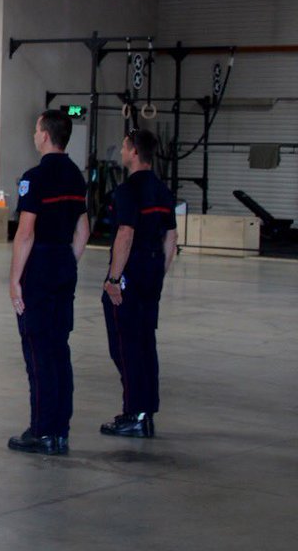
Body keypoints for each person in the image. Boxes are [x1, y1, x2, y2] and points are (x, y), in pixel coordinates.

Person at [7, 109, 89, 456]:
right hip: (63, 263)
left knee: (38, 352)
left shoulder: (35, 177)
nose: (34, 133)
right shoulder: (75, 175)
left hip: (39, 265)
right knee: (59, 350)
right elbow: (83, 229)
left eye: (36, 128)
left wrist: (14, 280)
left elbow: (25, 233)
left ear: (45, 135)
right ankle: (61, 430)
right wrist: (67, 260)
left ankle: (42, 431)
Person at [100, 128, 177, 438]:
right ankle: (147, 411)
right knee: (145, 343)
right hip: (153, 269)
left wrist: (114, 278)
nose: (121, 152)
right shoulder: (162, 190)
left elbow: (125, 233)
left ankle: (134, 413)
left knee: (125, 345)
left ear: (133, 152)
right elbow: (171, 237)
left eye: (123, 147)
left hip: (131, 271)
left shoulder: (127, 190)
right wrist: (159, 271)